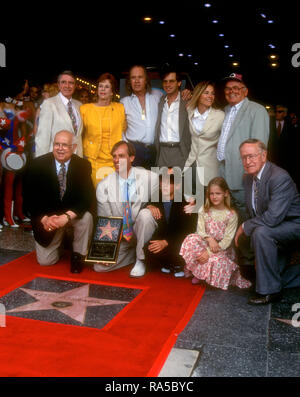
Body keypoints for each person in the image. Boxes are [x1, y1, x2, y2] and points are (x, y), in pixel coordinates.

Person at [235, 139, 300, 305]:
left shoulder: (279, 177)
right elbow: (253, 212)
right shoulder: (248, 178)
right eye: (243, 157)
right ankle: (273, 282)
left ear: (263, 155)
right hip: (275, 227)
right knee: (274, 275)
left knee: (261, 233)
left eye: (251, 156)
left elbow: (272, 218)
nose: (247, 161)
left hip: (293, 225)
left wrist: (244, 227)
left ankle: (270, 292)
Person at [23, 130, 95, 273]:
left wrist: (66, 217)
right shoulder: (37, 165)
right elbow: (28, 199)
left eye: (65, 145)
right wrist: (43, 218)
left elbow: (87, 198)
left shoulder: (83, 165)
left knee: (86, 217)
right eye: (57, 144)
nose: (60, 148)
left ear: (73, 147)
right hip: (49, 219)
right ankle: (62, 243)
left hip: (70, 215)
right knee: (45, 262)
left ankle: (78, 256)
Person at [95, 141, 159, 277]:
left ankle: (141, 259)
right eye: (114, 156)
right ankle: (132, 253)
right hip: (121, 236)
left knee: (146, 215)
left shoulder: (150, 178)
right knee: (99, 267)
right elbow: (106, 221)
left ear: (132, 158)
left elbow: (160, 205)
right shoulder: (103, 186)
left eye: (121, 156)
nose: (116, 160)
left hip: (143, 232)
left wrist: (152, 204)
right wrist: (106, 251)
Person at [180, 177, 251, 290]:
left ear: (226, 193)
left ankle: (208, 274)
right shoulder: (204, 210)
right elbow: (200, 231)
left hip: (222, 249)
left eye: (218, 193)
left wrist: (208, 253)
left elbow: (227, 241)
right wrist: (209, 239)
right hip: (206, 243)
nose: (214, 197)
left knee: (218, 262)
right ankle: (199, 273)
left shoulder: (231, 215)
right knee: (191, 239)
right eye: (211, 193)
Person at [216, 73, 269, 221]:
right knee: (227, 215)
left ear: (245, 91)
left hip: (242, 173)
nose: (231, 91)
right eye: (227, 88)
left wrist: (253, 174)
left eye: (236, 87)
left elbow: (259, 146)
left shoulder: (257, 110)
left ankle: (247, 243)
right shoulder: (225, 110)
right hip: (223, 171)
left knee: (246, 214)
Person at [146, 168, 197, 277]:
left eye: (169, 182)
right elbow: (147, 204)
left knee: (182, 247)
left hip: (177, 241)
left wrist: (166, 242)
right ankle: (168, 263)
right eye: (162, 182)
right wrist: (149, 206)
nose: (164, 185)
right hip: (162, 238)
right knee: (149, 249)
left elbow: (187, 230)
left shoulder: (186, 202)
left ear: (177, 185)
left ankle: (177, 264)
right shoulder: (156, 198)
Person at [80, 73, 126, 187]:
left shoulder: (120, 108)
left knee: (114, 196)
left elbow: (124, 130)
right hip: (93, 161)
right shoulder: (85, 109)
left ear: (112, 91)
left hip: (115, 161)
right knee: (97, 196)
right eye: (100, 86)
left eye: (106, 86)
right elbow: (78, 135)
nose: (103, 89)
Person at [184, 80, 225, 190]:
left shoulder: (220, 116)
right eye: (206, 93)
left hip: (210, 168)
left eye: (212, 93)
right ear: (198, 94)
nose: (210, 96)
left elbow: (225, 142)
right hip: (191, 164)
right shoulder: (189, 111)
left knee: (207, 202)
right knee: (190, 202)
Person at [121, 64, 163, 169]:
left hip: (155, 149)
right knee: (133, 182)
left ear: (146, 80)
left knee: (152, 183)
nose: (136, 81)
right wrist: (126, 147)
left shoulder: (158, 95)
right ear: (129, 81)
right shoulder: (124, 102)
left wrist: (185, 93)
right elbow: (120, 128)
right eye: (133, 78)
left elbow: (173, 99)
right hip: (134, 150)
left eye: (140, 77)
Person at [35, 71, 83, 158]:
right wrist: (41, 162)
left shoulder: (79, 105)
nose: (67, 86)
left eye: (71, 83)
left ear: (75, 86)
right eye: (63, 82)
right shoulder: (49, 104)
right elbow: (42, 137)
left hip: (76, 158)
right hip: (55, 157)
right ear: (59, 85)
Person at [154, 70, 191, 170]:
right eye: (165, 81)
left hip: (180, 151)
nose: (168, 84)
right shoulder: (160, 101)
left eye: (171, 81)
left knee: (182, 184)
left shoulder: (187, 101)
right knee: (163, 185)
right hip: (162, 153)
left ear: (179, 83)